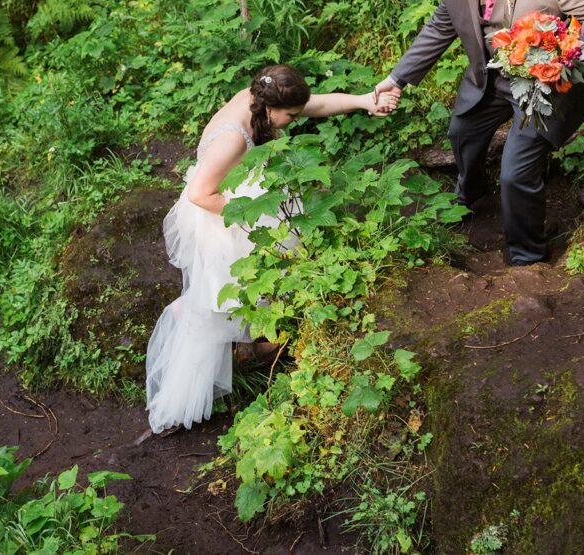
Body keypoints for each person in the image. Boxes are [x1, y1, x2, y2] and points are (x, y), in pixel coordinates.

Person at [145, 64, 396, 434]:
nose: (294, 121)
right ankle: (181, 402)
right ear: (270, 108)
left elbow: (318, 105)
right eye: (291, 116)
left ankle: (259, 343)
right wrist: (253, 223)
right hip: (223, 211)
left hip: (242, 192)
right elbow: (201, 193)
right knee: (216, 306)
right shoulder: (234, 136)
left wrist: (364, 102)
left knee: (273, 271)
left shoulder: (265, 100)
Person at [376, 0, 584, 266]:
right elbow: (442, 24)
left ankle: (528, 257)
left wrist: (562, 59)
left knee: (515, 172)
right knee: (462, 130)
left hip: (548, 89)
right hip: (491, 77)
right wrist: (396, 77)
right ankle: (474, 198)